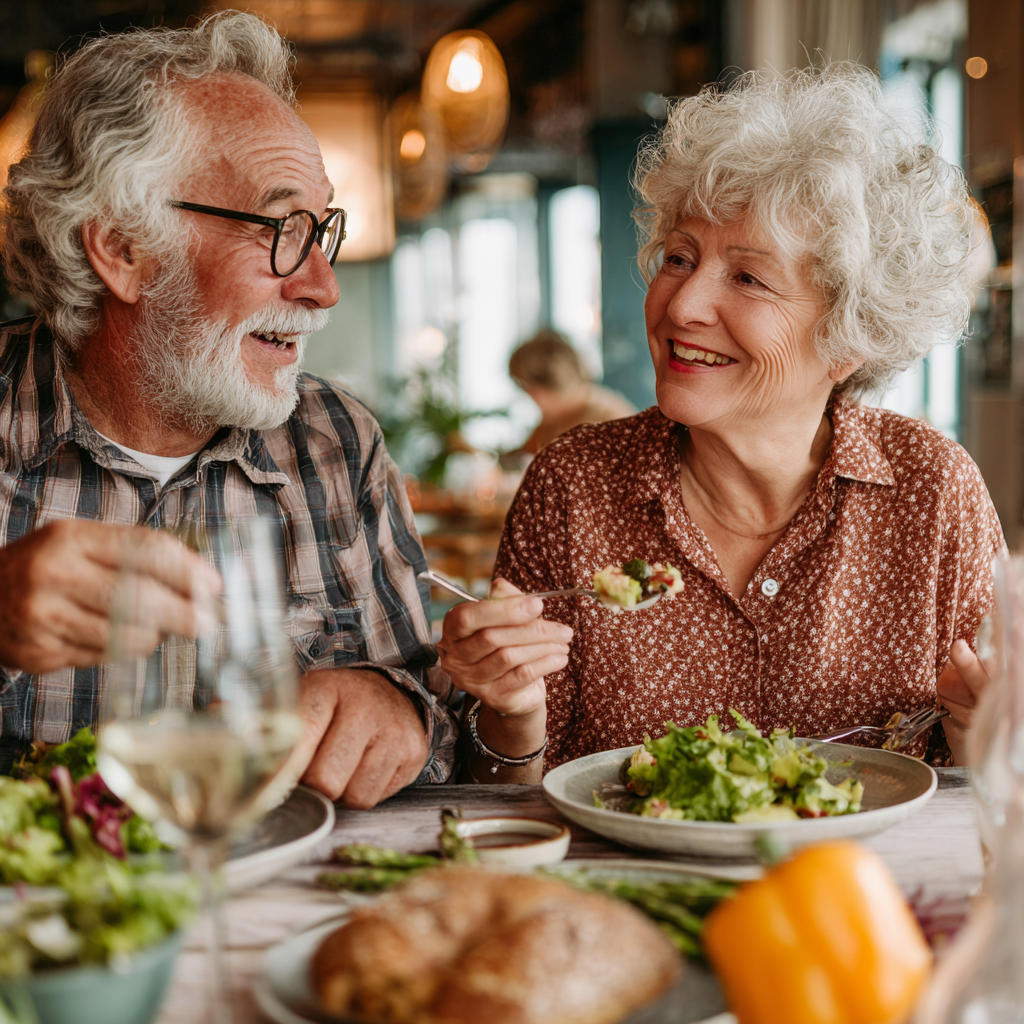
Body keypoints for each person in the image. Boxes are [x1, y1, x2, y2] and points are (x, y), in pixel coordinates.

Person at [438, 64, 1003, 781]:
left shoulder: (933, 490)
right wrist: (511, 714)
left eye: (748, 277)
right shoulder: (573, 485)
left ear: (850, 338)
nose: (681, 306)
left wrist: (986, 733)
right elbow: (509, 808)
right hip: (629, 890)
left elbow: (983, 783)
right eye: (679, 258)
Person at [0, 12, 456, 805]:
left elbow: (436, 712)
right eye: (282, 229)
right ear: (122, 250)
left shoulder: (336, 444)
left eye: (321, 231)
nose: (322, 285)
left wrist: (396, 713)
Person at [508, 329, 634, 455]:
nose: (529, 397)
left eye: (527, 389)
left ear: (542, 389)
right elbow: (523, 456)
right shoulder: (554, 418)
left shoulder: (612, 421)